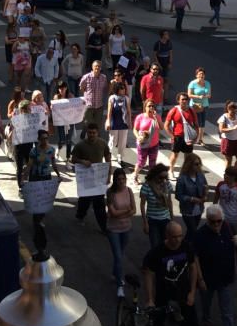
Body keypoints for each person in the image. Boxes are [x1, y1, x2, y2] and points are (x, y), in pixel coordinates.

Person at [143, 221, 199, 326]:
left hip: (183, 292)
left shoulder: (186, 247)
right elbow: (149, 274)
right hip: (163, 293)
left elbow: (193, 267)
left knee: (192, 324)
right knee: (158, 324)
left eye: (180, 236)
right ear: (167, 235)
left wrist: (192, 292)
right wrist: (150, 299)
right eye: (174, 237)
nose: (178, 239)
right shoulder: (157, 252)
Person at [194, 205, 237, 326]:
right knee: (206, 304)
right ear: (207, 220)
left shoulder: (227, 227)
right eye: (213, 221)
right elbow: (195, 258)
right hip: (207, 279)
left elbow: (234, 242)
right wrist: (200, 279)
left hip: (225, 277)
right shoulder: (200, 234)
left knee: (227, 309)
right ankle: (206, 319)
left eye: (219, 221)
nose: (217, 224)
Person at [24, 128, 62, 247]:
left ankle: (40, 219)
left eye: (46, 138)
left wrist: (58, 175)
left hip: (46, 177)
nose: (45, 140)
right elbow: (29, 165)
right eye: (42, 138)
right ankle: (36, 222)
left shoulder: (51, 150)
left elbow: (53, 163)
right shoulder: (34, 151)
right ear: (38, 139)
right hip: (35, 178)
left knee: (44, 200)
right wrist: (23, 177)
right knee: (36, 201)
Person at [70, 123, 111, 232]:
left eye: (94, 133)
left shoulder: (103, 143)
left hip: (98, 179)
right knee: (84, 201)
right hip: (86, 179)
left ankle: (103, 227)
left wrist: (108, 175)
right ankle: (80, 215)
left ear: (97, 133)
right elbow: (72, 159)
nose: (92, 135)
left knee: (100, 205)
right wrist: (82, 161)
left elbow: (108, 159)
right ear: (86, 133)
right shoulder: (80, 145)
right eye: (89, 132)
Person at [106, 167, 136, 297]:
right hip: (113, 229)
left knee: (120, 255)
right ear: (115, 180)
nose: (121, 181)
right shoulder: (110, 193)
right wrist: (126, 211)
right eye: (119, 179)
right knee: (118, 256)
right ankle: (120, 283)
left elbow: (134, 210)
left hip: (126, 228)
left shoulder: (129, 191)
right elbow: (113, 213)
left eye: (123, 179)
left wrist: (122, 213)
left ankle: (115, 272)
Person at [141, 162, 174, 249]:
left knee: (166, 244)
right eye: (160, 177)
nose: (163, 180)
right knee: (155, 246)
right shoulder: (147, 186)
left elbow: (170, 202)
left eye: (165, 177)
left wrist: (172, 219)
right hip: (152, 221)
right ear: (155, 175)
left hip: (166, 219)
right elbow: (142, 205)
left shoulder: (167, 185)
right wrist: (145, 223)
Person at [176, 154, 208, 242]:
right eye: (196, 164)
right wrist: (192, 199)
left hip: (199, 208)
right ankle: (190, 250)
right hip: (187, 210)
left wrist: (205, 195)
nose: (199, 166)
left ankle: (184, 246)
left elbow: (205, 186)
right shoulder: (182, 179)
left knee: (191, 232)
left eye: (199, 164)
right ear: (189, 164)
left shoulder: (200, 175)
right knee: (194, 231)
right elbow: (178, 195)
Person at [165, 92, 198, 176]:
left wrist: (195, 137)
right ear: (178, 101)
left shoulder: (191, 110)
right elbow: (166, 125)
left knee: (188, 156)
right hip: (177, 137)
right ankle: (171, 170)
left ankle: (185, 172)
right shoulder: (174, 110)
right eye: (182, 99)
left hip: (188, 137)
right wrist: (172, 136)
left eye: (186, 99)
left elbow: (196, 125)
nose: (184, 101)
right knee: (175, 155)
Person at [9, 98, 35, 191]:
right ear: (22, 110)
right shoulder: (16, 119)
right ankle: (20, 187)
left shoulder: (33, 119)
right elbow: (10, 135)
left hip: (29, 146)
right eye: (29, 109)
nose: (30, 111)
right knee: (19, 168)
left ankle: (31, 184)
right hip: (19, 147)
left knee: (31, 166)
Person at [133, 101, 162, 183]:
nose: (151, 108)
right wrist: (138, 137)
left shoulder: (157, 117)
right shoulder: (140, 117)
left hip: (154, 144)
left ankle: (150, 179)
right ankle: (135, 175)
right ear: (145, 107)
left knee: (152, 163)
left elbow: (162, 127)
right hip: (143, 144)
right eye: (149, 106)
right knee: (141, 162)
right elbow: (135, 129)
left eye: (153, 106)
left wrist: (156, 118)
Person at [105, 80, 132, 166]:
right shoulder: (112, 98)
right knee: (113, 140)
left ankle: (120, 157)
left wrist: (130, 121)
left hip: (123, 123)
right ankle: (108, 155)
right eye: (121, 89)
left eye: (124, 89)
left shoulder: (126, 99)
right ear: (117, 89)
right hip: (114, 122)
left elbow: (128, 111)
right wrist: (108, 121)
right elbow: (109, 111)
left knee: (122, 141)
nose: (123, 90)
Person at [214, 166, 237, 236]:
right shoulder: (220, 184)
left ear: (233, 177)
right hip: (221, 217)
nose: (224, 175)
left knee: (233, 238)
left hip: (233, 219)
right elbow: (215, 200)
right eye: (225, 173)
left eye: (227, 174)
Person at [78, 61, 108, 134]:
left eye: (99, 66)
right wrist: (86, 96)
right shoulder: (86, 77)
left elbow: (105, 88)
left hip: (99, 105)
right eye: (96, 66)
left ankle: (97, 137)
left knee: (98, 123)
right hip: (89, 104)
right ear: (92, 67)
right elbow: (81, 88)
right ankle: (84, 131)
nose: (97, 67)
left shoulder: (103, 78)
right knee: (87, 122)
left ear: (100, 68)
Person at [52, 80, 76, 161]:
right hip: (61, 122)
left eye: (63, 88)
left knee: (69, 140)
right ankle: (58, 149)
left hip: (69, 121)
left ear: (66, 88)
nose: (61, 90)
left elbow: (75, 106)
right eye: (60, 88)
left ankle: (68, 159)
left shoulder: (70, 96)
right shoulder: (56, 97)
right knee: (62, 139)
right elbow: (54, 108)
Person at [218, 101, 237, 171]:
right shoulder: (223, 117)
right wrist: (232, 128)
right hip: (227, 141)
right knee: (228, 161)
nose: (234, 113)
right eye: (232, 111)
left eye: (235, 111)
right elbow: (221, 129)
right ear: (228, 109)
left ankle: (233, 173)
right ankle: (227, 176)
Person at [187, 68, 212, 145]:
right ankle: (192, 137)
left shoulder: (207, 83)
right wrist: (198, 97)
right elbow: (189, 95)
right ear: (196, 75)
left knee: (202, 123)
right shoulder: (192, 83)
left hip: (204, 105)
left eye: (203, 74)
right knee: (195, 123)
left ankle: (200, 139)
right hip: (195, 106)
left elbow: (209, 95)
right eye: (199, 74)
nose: (201, 75)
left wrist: (206, 96)